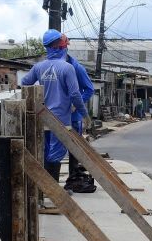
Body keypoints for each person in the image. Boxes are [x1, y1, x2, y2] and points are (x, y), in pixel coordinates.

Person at [21, 29, 89, 191]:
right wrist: (84, 114)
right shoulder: (67, 68)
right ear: (61, 46)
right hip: (60, 121)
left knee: (44, 152)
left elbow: (25, 82)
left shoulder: (39, 67)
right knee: (56, 154)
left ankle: (44, 191)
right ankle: (52, 193)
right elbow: (75, 94)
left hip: (43, 117)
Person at [57, 33, 96, 193]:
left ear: (65, 48)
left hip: (73, 117)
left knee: (74, 149)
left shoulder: (76, 67)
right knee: (54, 149)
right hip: (56, 115)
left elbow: (89, 89)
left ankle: (73, 178)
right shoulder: (51, 66)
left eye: (59, 47)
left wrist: (75, 104)